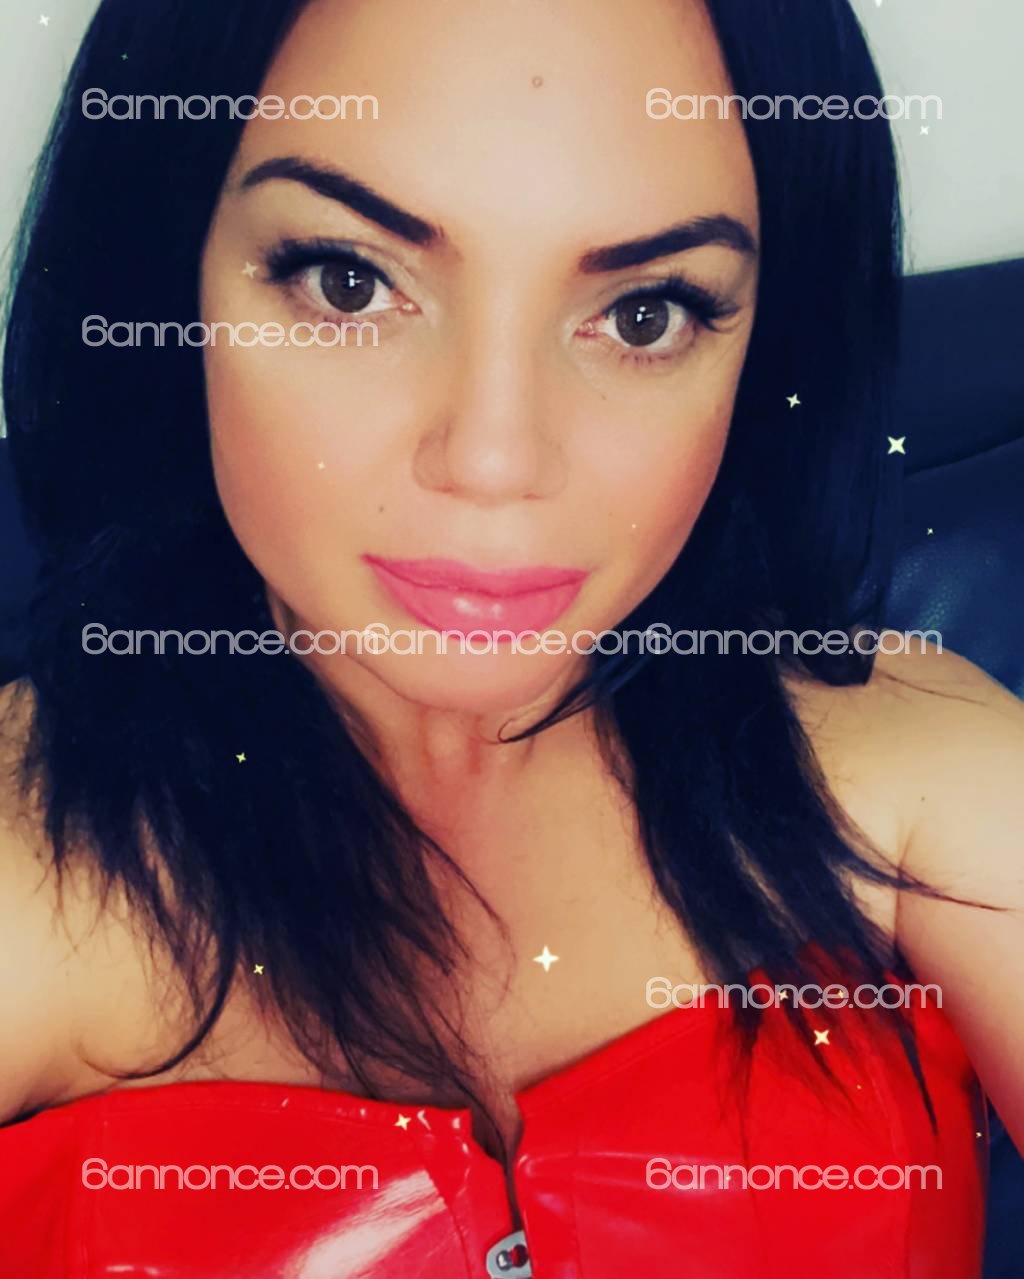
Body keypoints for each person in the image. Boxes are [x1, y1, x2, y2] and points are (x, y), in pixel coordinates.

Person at [0, 0, 1021, 1275]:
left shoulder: (932, 783)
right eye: (348, 281)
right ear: (168, 275)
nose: (495, 459)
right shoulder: (23, 879)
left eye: (645, 312)